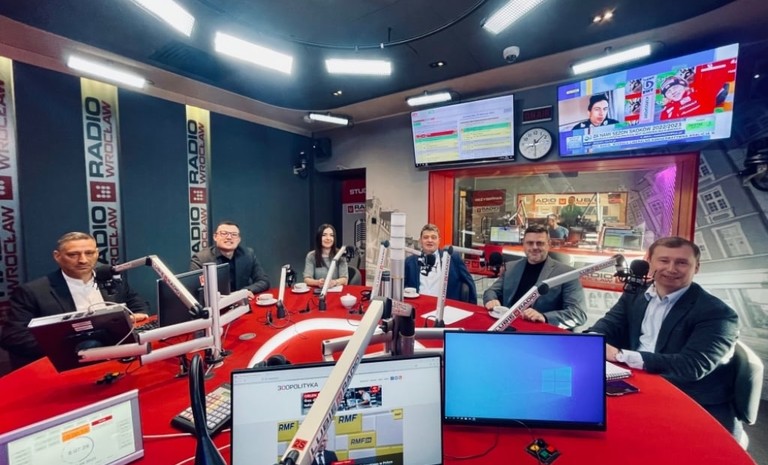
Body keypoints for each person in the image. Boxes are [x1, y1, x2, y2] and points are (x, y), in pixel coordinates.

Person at [587, 236, 741, 440]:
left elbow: (692, 366)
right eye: (664, 260)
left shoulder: (717, 313)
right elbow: (609, 325)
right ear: (649, 262)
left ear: (696, 268)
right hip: (638, 382)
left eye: (682, 262)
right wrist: (591, 342)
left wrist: (620, 355)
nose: (671, 268)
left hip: (688, 397)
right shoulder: (636, 294)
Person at [0, 232, 149, 369]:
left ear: (97, 253)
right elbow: (13, 336)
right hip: (68, 364)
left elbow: (136, 302)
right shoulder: (32, 291)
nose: (83, 260)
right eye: (73, 255)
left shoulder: (110, 278)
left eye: (89, 253)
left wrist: (138, 315)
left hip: (118, 357)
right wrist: (68, 348)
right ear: (57, 256)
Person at [483, 224, 586, 330]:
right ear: (524, 244)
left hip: (540, 334)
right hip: (507, 329)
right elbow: (491, 291)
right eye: (530, 243)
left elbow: (578, 313)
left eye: (540, 243)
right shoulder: (511, 267)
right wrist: (491, 300)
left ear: (549, 244)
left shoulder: (567, 274)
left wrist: (544, 317)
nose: (534, 247)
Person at [191, 221, 270, 296]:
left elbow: (263, 281)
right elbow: (195, 290)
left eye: (234, 234)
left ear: (239, 239)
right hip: (216, 303)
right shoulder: (201, 259)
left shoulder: (248, 255)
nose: (229, 237)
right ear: (215, 237)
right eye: (224, 233)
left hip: (242, 302)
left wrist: (246, 291)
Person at [404, 224, 477, 303]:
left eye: (433, 237)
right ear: (420, 241)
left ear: (439, 240)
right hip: (418, 305)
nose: (430, 240)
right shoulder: (410, 262)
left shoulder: (452, 258)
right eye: (426, 237)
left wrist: (472, 307)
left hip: (446, 307)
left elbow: (469, 282)